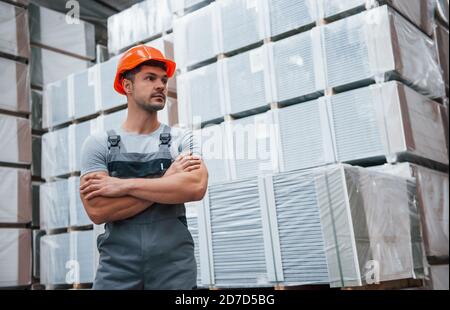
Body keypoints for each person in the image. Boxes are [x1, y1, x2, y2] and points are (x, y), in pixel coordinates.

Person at [79, 44, 208, 290]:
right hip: (116, 267)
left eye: (163, 79)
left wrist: (121, 185)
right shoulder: (99, 143)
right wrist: (167, 181)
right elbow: (97, 209)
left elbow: (196, 186)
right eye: (150, 78)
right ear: (127, 86)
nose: (161, 85)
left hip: (174, 267)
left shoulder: (182, 139)